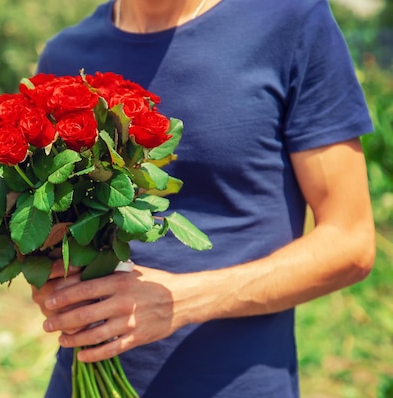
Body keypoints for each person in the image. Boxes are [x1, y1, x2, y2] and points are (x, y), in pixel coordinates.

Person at [30, 0, 376, 396]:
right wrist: (51, 277)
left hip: (236, 385)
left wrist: (179, 302)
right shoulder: (68, 54)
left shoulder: (291, 21)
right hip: (84, 382)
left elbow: (351, 243)